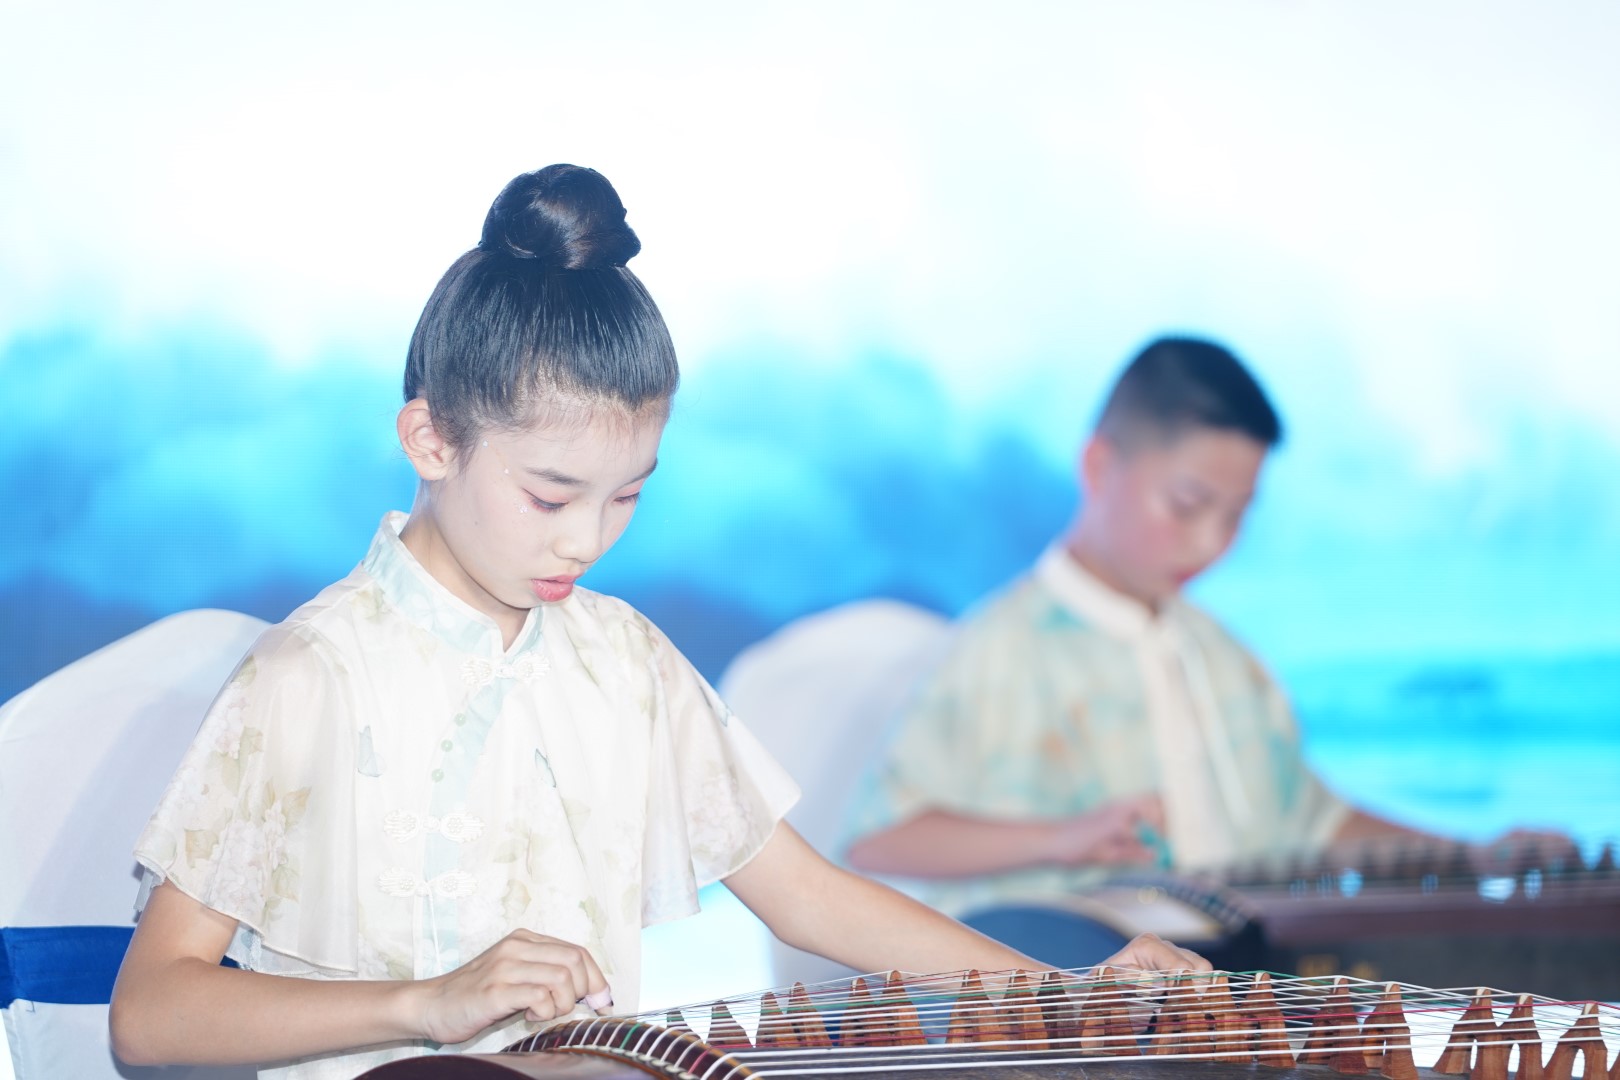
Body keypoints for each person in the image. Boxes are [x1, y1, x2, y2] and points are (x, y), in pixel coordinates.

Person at [106, 167, 1204, 1079]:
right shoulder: (314, 673)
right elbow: (150, 1016)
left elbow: (807, 898)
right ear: (431, 440)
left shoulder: (620, 659)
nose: (587, 541)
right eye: (550, 496)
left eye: (626, 496)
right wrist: (427, 1003)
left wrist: (1067, 993)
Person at [843, 336, 1557, 920]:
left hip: (1230, 990)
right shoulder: (1003, 648)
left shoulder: (1224, 657)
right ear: (1098, 466)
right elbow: (880, 840)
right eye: (1187, 505)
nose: (1212, 542)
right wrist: (1061, 838)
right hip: (1074, 1006)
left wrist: (1472, 857)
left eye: (1237, 514)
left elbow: (1311, 825)